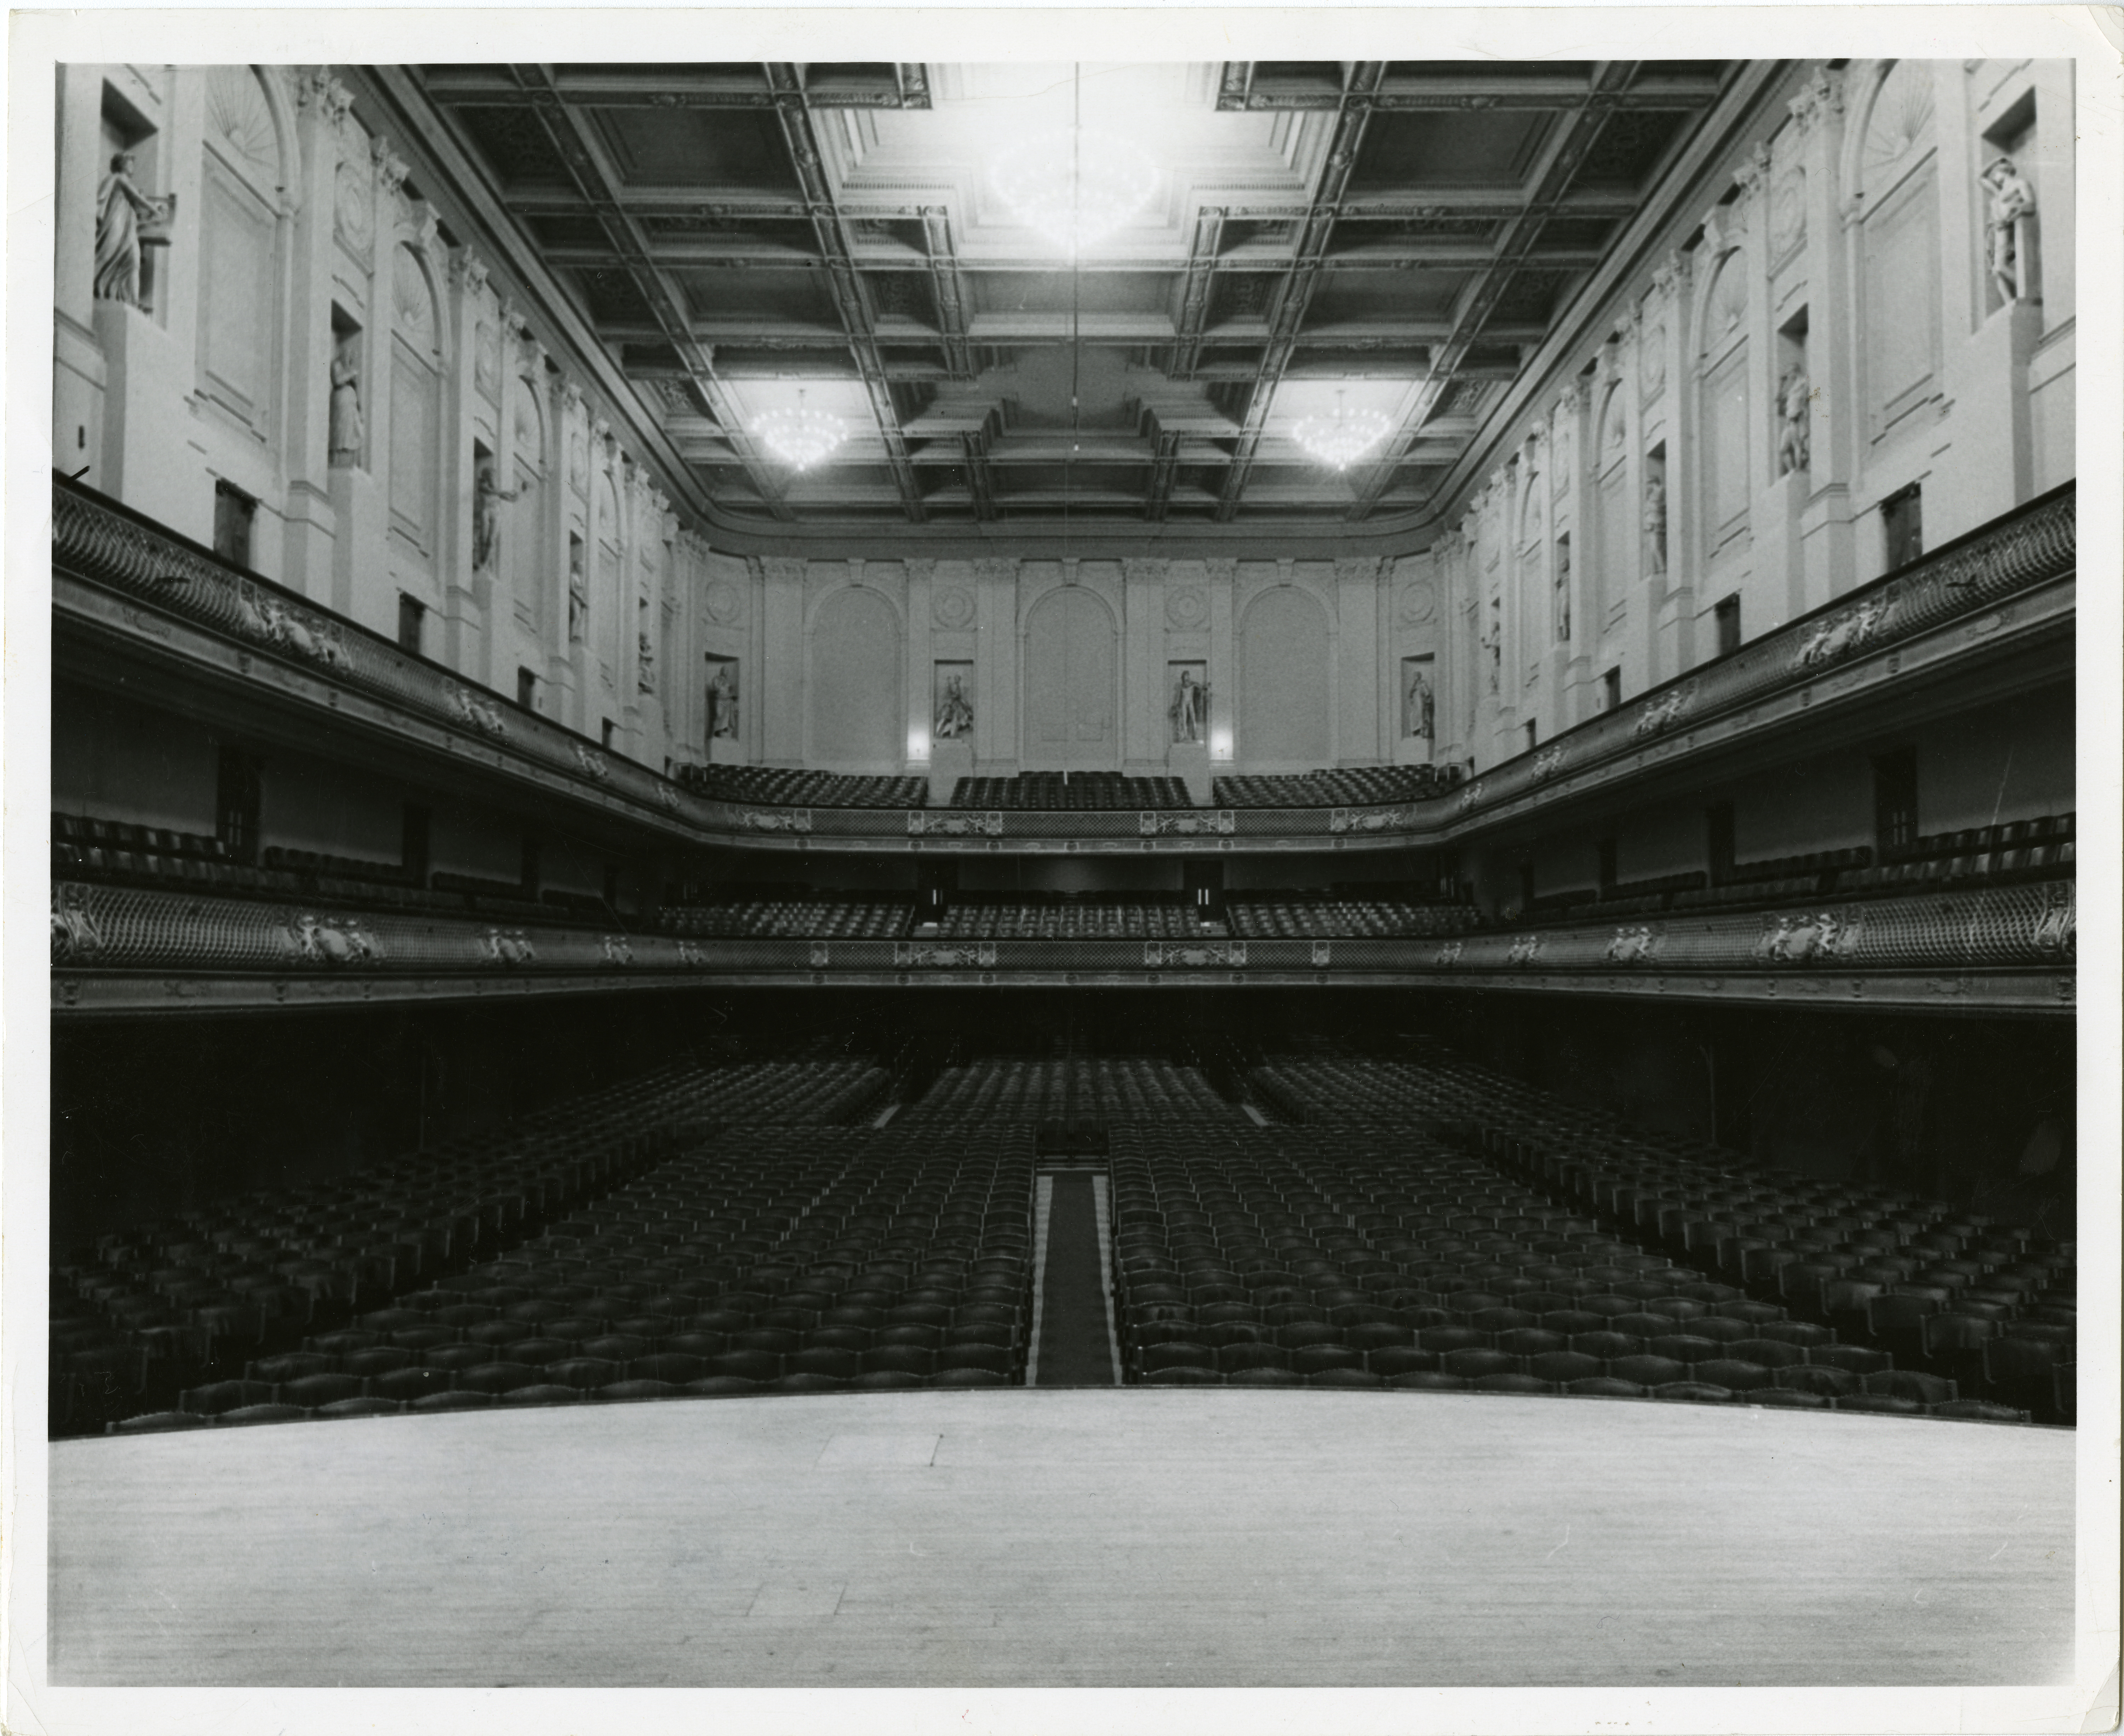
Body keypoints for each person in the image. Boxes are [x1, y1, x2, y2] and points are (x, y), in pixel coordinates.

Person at [95, 151, 163, 307]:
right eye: (130, 163)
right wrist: (154, 210)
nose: (133, 166)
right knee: (107, 254)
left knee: (134, 260)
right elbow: (137, 198)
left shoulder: (129, 195)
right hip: (115, 223)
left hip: (128, 227)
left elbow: (137, 206)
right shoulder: (118, 178)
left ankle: (133, 301)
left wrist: (152, 216)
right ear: (122, 165)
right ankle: (93, 281)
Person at [1981, 156, 2037, 306]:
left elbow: (2030, 203)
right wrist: (1995, 161)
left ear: (2004, 172)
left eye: (1996, 174)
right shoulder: (1998, 192)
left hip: (2011, 226)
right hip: (1998, 230)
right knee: (1997, 270)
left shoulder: (2019, 184)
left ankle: (2028, 291)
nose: (1994, 178)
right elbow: (1981, 178)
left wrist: (2014, 211)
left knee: (2000, 268)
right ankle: (2009, 304)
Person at [472, 458, 522, 570]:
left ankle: (484, 564)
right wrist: (505, 492)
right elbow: (490, 491)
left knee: (491, 540)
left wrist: (516, 495)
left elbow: (510, 499)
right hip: (486, 511)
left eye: (493, 475)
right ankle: (479, 559)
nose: (492, 477)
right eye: (489, 475)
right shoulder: (483, 487)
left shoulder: (497, 490)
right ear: (485, 477)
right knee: (483, 537)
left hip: (496, 514)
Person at [328, 341, 364, 465]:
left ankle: (351, 462)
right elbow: (337, 380)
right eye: (351, 354)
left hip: (351, 405)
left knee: (356, 434)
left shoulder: (348, 368)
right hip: (341, 403)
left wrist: (359, 407)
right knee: (340, 433)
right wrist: (350, 374)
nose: (352, 358)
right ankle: (337, 461)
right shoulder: (337, 365)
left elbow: (355, 388)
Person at [1170, 668, 1208, 744]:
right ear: (1183, 677)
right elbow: (1178, 696)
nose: (1187, 678)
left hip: (1190, 702)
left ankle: (1195, 735)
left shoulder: (1193, 684)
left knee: (1193, 718)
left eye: (1188, 676)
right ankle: (1185, 736)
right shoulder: (1181, 686)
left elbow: (1201, 687)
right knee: (1184, 719)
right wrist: (1176, 705)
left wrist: (1205, 688)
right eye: (1185, 676)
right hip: (1184, 703)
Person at [934, 673, 973, 740]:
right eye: (955, 679)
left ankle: (951, 733)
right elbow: (951, 693)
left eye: (957, 679)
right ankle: (942, 733)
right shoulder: (954, 687)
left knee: (956, 719)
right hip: (952, 706)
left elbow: (958, 696)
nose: (956, 680)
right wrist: (948, 683)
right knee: (947, 719)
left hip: (956, 706)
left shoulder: (959, 688)